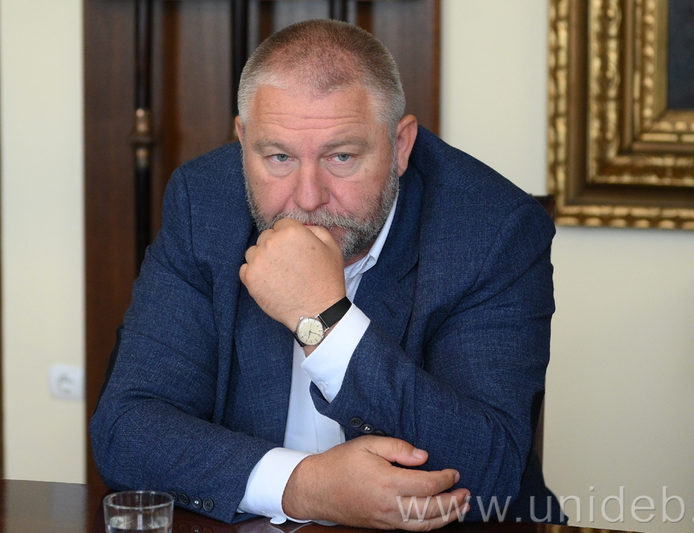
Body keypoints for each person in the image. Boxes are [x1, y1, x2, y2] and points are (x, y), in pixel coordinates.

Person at [90, 18, 562, 530]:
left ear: (401, 146)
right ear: (243, 140)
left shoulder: (492, 231)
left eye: (341, 156)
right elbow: (127, 429)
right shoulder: (203, 203)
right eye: (279, 157)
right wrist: (305, 487)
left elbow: (487, 470)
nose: (308, 197)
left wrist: (324, 320)